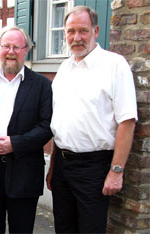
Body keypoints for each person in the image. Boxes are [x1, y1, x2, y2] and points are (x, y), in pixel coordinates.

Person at [47, 6, 137, 233]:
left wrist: (116, 171)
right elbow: (62, 122)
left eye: (83, 31)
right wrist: (53, 167)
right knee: (63, 228)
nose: (76, 38)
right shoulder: (65, 68)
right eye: (70, 31)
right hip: (62, 165)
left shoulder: (114, 65)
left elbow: (127, 121)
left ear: (96, 31)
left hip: (94, 167)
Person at [0, 25, 53, 233]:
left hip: (24, 171)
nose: (11, 52)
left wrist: (15, 143)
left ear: (26, 50)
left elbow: (46, 126)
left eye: (17, 47)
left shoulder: (42, 85)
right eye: (6, 46)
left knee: (22, 229)